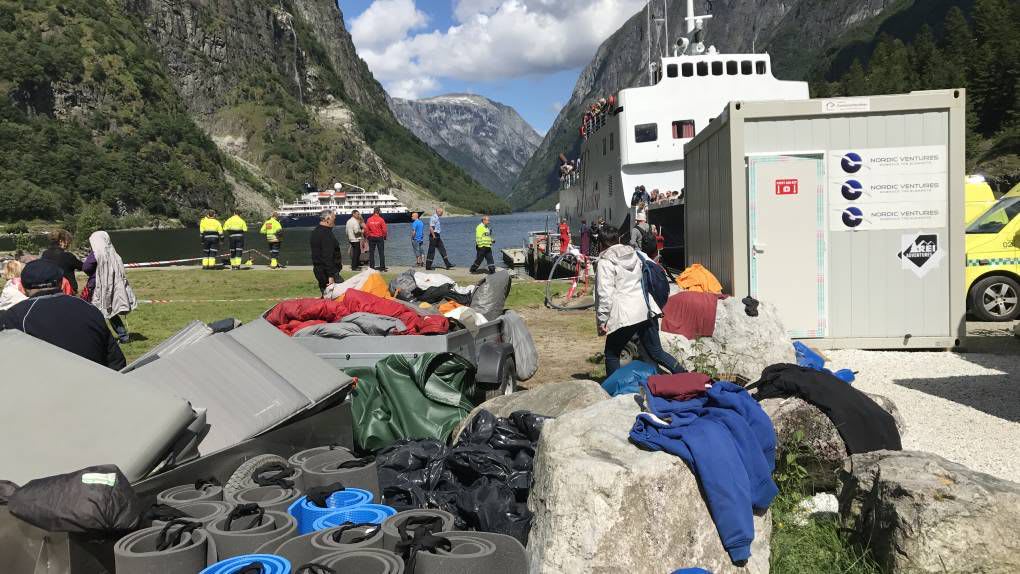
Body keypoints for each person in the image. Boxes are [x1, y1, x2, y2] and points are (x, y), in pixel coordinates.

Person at [1, 259, 126, 370]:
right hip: (98, 383)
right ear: (61, 283)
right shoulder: (89, 309)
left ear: (22, 287)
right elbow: (116, 361)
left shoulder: (15, 316)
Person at [595, 226, 683, 377]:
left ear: (601, 243)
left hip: (625, 314)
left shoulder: (605, 262)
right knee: (657, 352)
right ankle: (685, 375)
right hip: (645, 309)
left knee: (612, 353)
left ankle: (614, 387)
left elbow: (604, 294)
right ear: (618, 239)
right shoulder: (635, 254)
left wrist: (602, 320)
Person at [82, 231, 137, 344]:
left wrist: (93, 273)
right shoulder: (113, 253)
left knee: (93, 311)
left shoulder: (96, 253)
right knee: (111, 311)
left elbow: (86, 267)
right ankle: (123, 336)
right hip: (112, 285)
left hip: (97, 286)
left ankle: (97, 337)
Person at [310, 210, 342, 294]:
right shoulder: (326, 234)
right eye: (333, 219)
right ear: (327, 219)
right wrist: (330, 276)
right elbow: (327, 256)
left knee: (326, 295)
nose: (334, 221)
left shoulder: (315, 231)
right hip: (327, 272)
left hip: (319, 270)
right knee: (340, 295)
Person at [41, 229, 82, 294]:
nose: (68, 244)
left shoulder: (45, 254)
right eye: (67, 242)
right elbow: (84, 267)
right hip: (67, 291)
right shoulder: (68, 256)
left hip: (50, 290)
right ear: (61, 241)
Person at [364, 207, 388, 272]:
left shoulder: (369, 219)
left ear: (373, 211)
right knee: (381, 252)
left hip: (371, 237)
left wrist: (367, 236)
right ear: (379, 212)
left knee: (371, 253)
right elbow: (384, 230)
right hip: (379, 237)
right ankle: (382, 267)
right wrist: (385, 236)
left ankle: (372, 267)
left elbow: (366, 229)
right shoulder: (381, 219)